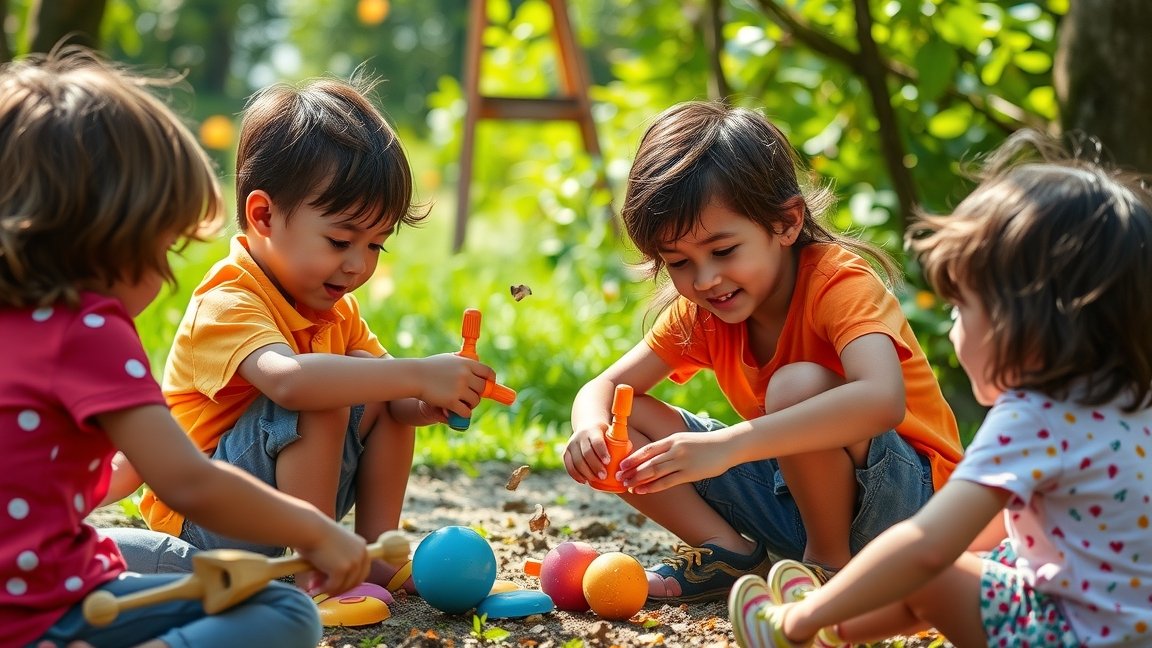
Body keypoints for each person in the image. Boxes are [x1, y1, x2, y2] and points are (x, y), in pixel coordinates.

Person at [0, 46, 372, 648]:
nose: (169, 277)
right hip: (43, 611)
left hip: (30, 580)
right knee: (285, 611)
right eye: (163, 249)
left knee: (120, 548)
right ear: (108, 240)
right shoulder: (88, 331)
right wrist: (313, 528)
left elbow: (100, 471)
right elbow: (189, 482)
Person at [728, 129, 1152, 647]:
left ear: (1021, 321)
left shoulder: (1035, 416)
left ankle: (799, 625)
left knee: (929, 566)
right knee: (990, 556)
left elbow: (927, 549)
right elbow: (993, 534)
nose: (952, 328)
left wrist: (807, 612)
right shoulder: (1133, 404)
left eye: (961, 307)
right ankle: (831, 631)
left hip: (1074, 635)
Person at [117, 72, 495, 607]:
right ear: (264, 216)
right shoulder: (227, 300)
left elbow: (390, 401)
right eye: (340, 241)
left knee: (369, 376)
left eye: (376, 246)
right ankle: (320, 574)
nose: (358, 264)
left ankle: (374, 554)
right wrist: (414, 372)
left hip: (289, 516)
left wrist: (427, 397)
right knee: (332, 386)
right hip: (207, 524)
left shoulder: (335, 311)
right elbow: (290, 383)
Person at [564, 100, 962, 603]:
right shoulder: (704, 313)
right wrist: (590, 430)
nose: (705, 280)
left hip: (914, 510)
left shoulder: (838, 283)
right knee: (624, 415)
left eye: (723, 251)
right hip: (799, 506)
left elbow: (883, 401)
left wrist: (726, 447)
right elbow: (604, 386)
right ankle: (727, 552)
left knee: (795, 385)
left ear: (786, 223)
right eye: (679, 262)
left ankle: (828, 570)